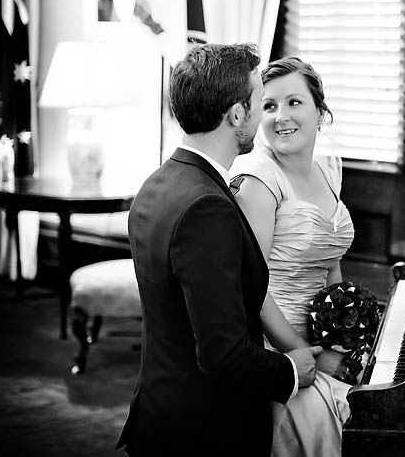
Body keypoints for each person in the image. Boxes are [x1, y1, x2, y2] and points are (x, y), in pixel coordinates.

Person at [117, 44, 322, 456]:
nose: (264, 115)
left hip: (161, 412)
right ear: (236, 115)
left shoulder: (156, 184)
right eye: (258, 103)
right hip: (202, 432)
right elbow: (222, 354)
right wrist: (289, 370)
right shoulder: (206, 208)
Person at [230, 57, 355, 457]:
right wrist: (306, 356)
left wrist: (342, 338)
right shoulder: (259, 179)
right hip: (277, 347)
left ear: (320, 112)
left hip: (319, 342)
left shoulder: (326, 172)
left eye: (294, 102)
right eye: (269, 106)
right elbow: (251, 286)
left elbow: (330, 261)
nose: (280, 116)